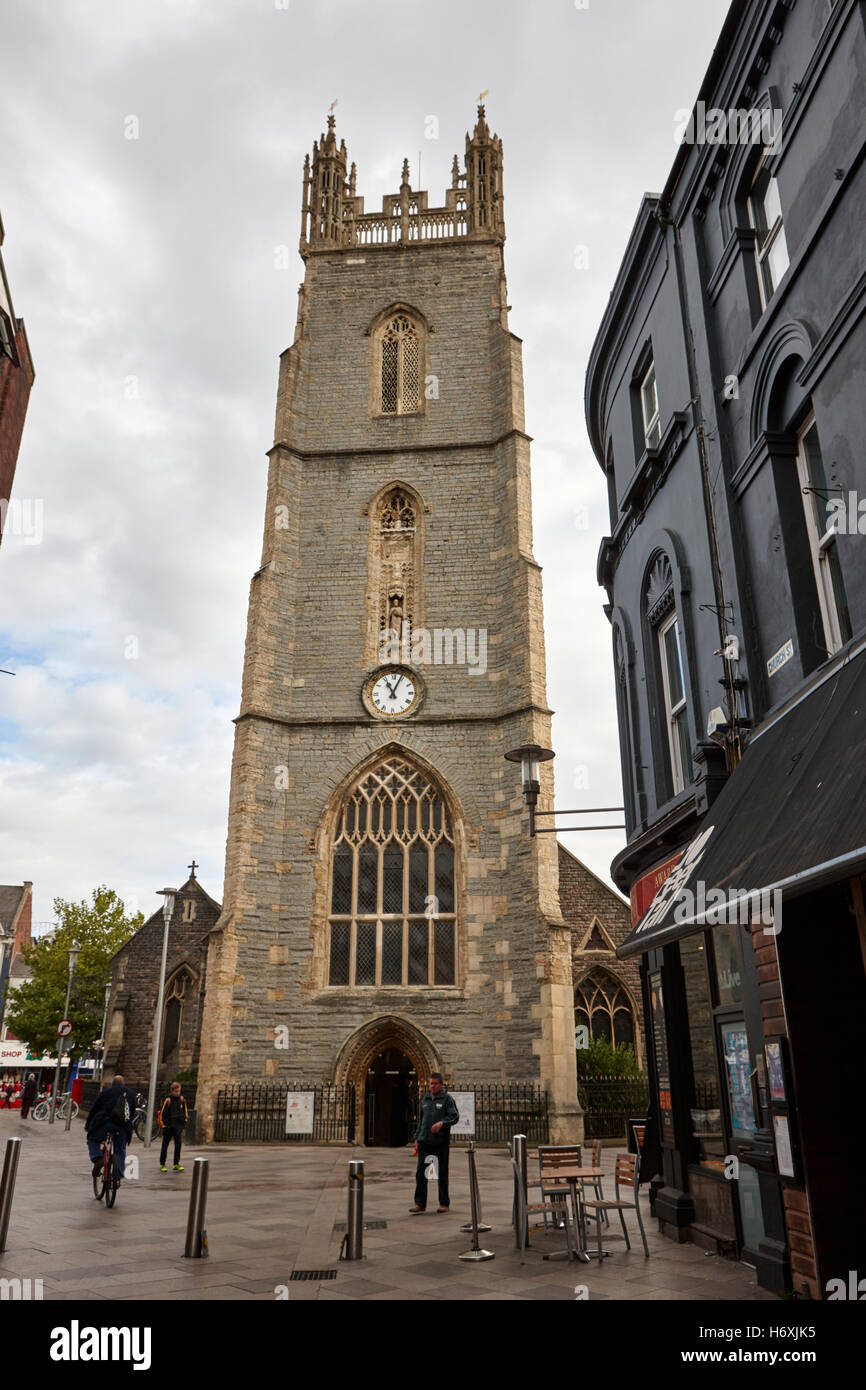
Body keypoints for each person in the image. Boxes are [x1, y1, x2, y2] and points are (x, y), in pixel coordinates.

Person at [409, 1073, 459, 1214]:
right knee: (421, 1173)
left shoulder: (447, 1099)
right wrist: (417, 1138)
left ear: (441, 1084)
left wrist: (442, 1123)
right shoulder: (425, 1099)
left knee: (441, 1173)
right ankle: (420, 1203)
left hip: (440, 1142)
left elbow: (454, 1116)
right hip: (425, 1141)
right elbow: (422, 1121)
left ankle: (444, 1203)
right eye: (431, 1083)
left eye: (435, 1084)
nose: (432, 1086)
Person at [84, 1073, 137, 1180]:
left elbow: (94, 1109)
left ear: (112, 1084)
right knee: (120, 1149)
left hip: (105, 1123)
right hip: (122, 1126)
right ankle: (118, 1175)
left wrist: (88, 1125)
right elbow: (132, 1113)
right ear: (124, 1084)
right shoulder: (131, 1094)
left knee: (93, 1139)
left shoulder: (106, 1092)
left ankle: (97, 1158)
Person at [157, 1081, 188, 1172]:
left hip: (178, 1127)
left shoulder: (182, 1099)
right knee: (165, 1146)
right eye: (176, 1091)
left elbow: (185, 1112)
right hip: (168, 1127)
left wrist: (183, 1123)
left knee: (178, 1145)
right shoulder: (168, 1100)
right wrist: (164, 1126)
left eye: (179, 1091)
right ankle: (162, 1164)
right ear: (172, 1091)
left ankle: (176, 1163)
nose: (178, 1093)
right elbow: (162, 1114)